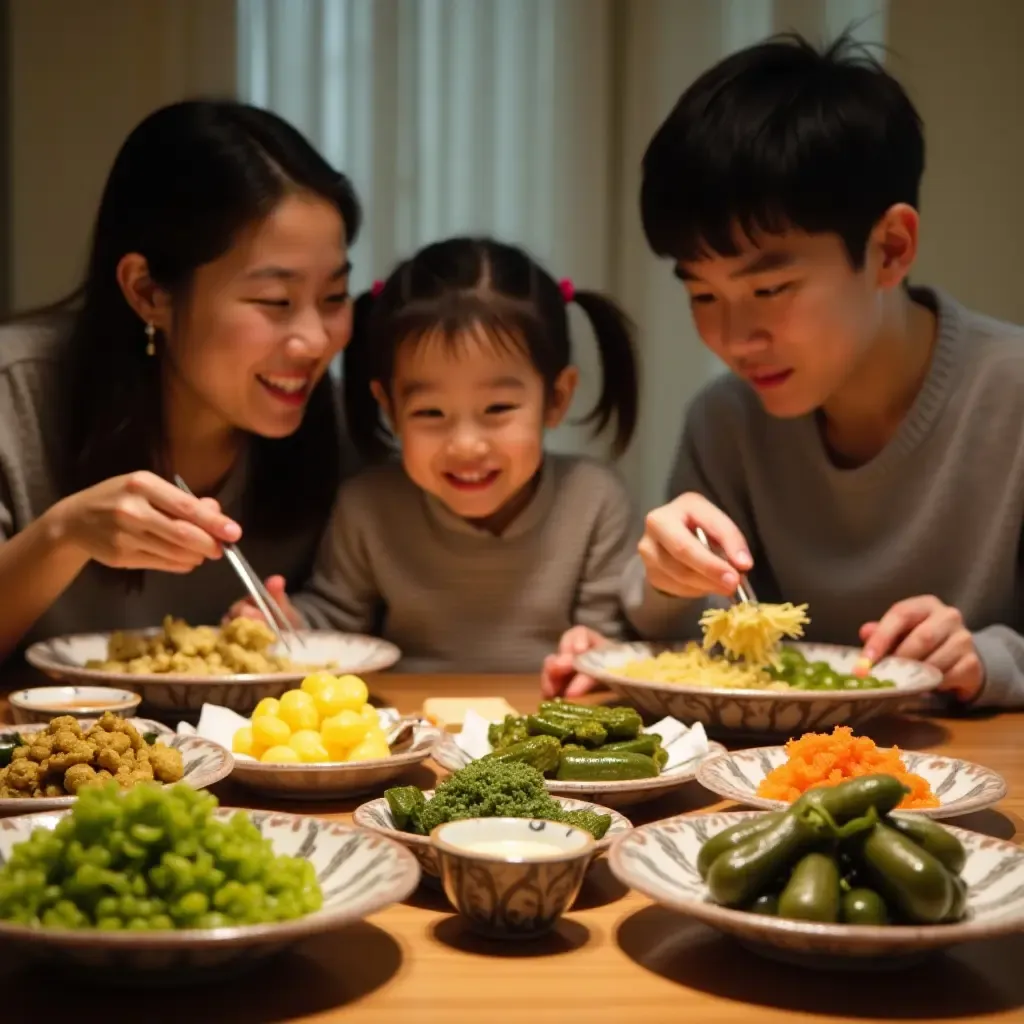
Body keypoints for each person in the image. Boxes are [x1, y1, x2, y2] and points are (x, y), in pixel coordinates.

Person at [609, 31, 1024, 709]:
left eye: (769, 290)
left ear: (890, 247)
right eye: (702, 295)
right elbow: (690, 649)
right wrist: (666, 580)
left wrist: (990, 655)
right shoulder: (726, 422)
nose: (735, 339)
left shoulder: (1011, 395)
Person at [0, 99, 361, 665]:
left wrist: (302, 626)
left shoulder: (332, 423)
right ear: (148, 292)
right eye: (275, 300)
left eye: (335, 297)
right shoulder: (12, 393)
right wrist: (63, 535)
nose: (316, 341)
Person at [228, 236, 638, 687]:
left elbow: (611, 639)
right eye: (430, 413)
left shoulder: (593, 501)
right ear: (389, 407)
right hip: (407, 729)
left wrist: (596, 654)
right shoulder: (369, 507)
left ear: (556, 398)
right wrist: (285, 623)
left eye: (497, 409)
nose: (465, 445)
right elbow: (337, 625)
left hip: (548, 727)